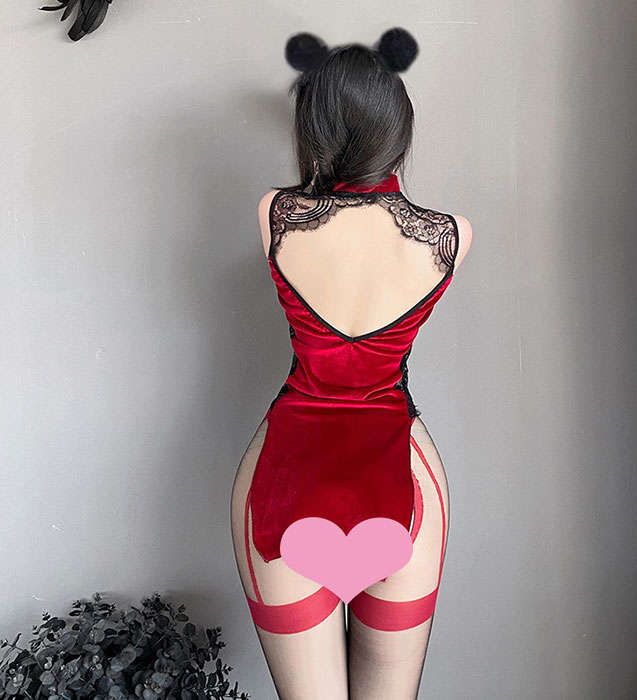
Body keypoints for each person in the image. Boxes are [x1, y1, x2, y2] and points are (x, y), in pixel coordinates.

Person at [230, 38, 473, 700]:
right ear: (399, 131)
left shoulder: (277, 214)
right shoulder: (450, 234)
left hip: (285, 474)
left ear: (312, 130)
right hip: (404, 475)